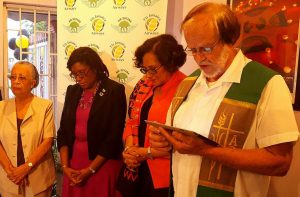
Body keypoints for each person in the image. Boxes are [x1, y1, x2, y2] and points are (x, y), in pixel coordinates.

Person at [149, 3, 299, 197]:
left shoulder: (267, 83)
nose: (199, 58)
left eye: (207, 48)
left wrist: (207, 151)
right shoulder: (189, 83)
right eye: (192, 50)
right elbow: (180, 143)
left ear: (231, 39)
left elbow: (280, 163)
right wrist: (165, 142)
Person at [120, 34, 186, 197]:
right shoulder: (144, 84)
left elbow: (182, 142)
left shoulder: (185, 89)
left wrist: (145, 152)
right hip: (136, 168)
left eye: (153, 69)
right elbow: (131, 121)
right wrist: (129, 150)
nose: (148, 75)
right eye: (145, 69)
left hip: (165, 174)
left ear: (171, 62)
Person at [57, 47, 127, 197]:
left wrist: (90, 170)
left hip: (102, 164)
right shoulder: (73, 91)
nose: (78, 78)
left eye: (82, 73)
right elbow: (63, 131)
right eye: (74, 74)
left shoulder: (114, 91)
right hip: (73, 163)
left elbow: (113, 137)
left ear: (95, 67)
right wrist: (65, 166)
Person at [0, 61, 56, 196]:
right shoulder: (1, 107)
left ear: (33, 83)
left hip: (38, 178)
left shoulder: (45, 106)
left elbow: (47, 141)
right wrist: (10, 170)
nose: (16, 81)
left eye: (22, 78)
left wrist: (26, 168)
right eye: (13, 77)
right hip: (9, 179)